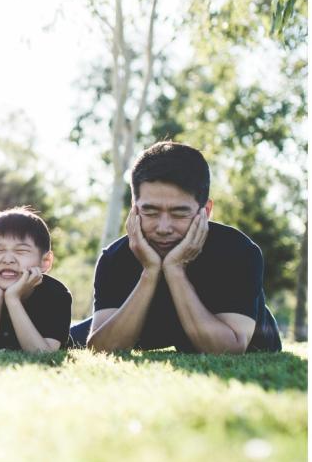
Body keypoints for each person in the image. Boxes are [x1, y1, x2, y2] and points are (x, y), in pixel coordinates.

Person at [71, 141, 281, 354]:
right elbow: (101, 349)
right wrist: (150, 272)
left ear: (205, 211)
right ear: (134, 209)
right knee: (62, 336)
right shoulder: (114, 258)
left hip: (236, 331)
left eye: (179, 213)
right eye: (151, 212)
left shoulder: (238, 252)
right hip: (149, 325)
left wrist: (175, 270)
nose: (163, 228)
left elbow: (230, 349)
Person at [0, 207, 72, 352]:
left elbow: (43, 354)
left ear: (45, 261)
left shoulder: (56, 293)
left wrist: (12, 298)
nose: (8, 259)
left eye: (21, 251)